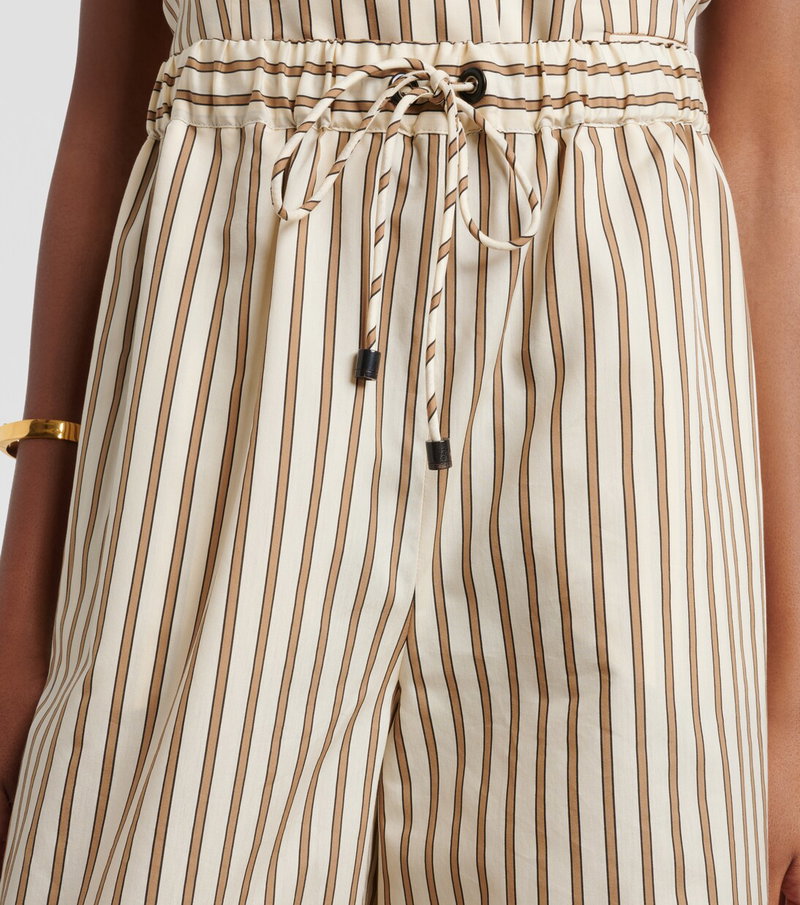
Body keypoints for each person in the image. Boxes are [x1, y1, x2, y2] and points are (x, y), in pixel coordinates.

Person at [0, 0, 796, 901]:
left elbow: (768, 142)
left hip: (622, 399)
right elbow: (114, 99)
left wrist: (790, 699)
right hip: (225, 367)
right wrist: (24, 608)